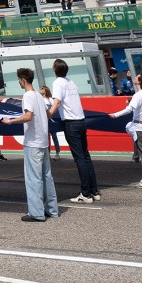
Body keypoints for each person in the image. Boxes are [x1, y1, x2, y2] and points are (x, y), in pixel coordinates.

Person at [1, 67, 59, 222]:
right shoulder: (39, 96)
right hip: (44, 142)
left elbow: (28, 116)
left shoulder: (27, 96)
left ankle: (36, 213)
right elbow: (48, 114)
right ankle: (52, 210)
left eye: (19, 80)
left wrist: (10, 121)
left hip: (33, 142)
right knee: (47, 177)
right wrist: (56, 104)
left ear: (23, 80)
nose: (19, 82)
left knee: (33, 179)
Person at [49, 58, 99, 203]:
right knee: (86, 157)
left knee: (79, 159)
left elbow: (57, 102)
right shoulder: (71, 82)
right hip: (81, 120)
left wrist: (48, 114)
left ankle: (85, 194)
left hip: (71, 123)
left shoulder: (57, 83)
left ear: (55, 69)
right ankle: (94, 191)